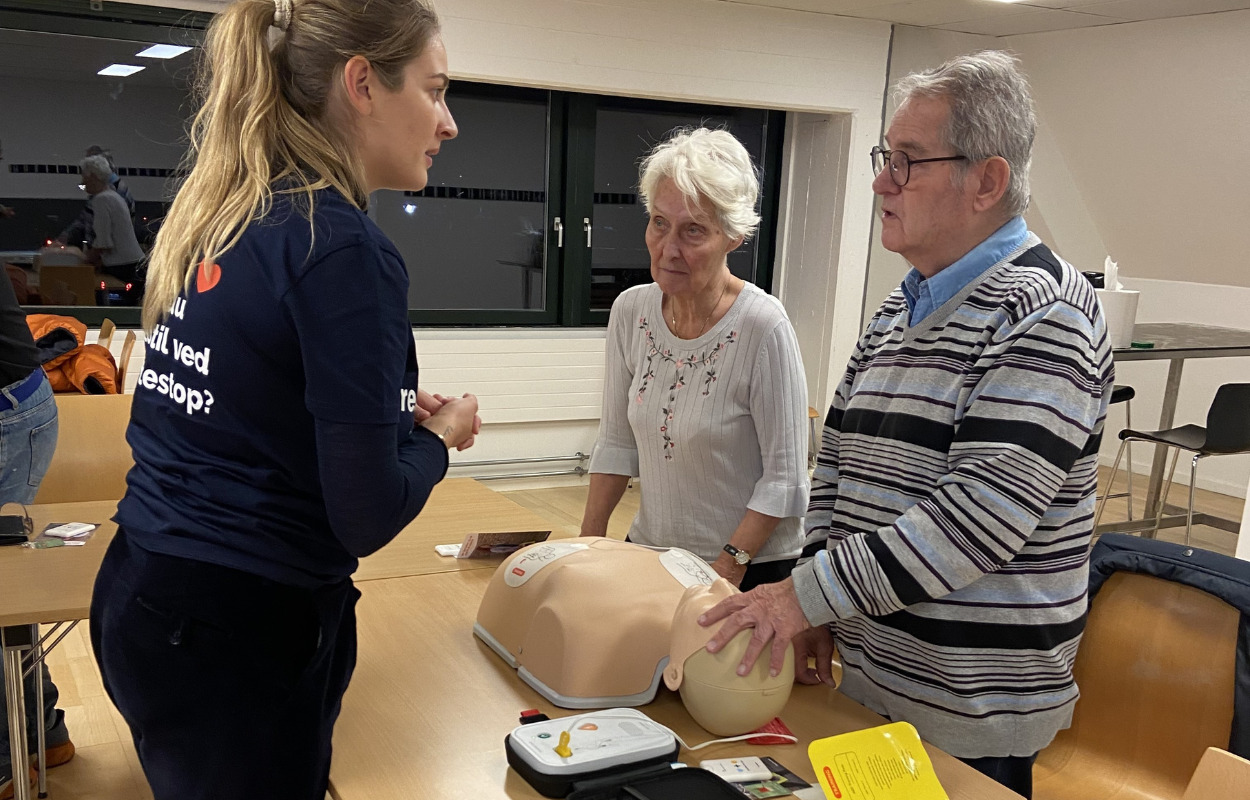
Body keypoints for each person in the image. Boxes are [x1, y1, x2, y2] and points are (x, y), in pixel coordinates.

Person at [88, 0, 478, 798]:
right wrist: (437, 436)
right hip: (236, 632)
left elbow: (235, 393)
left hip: (143, 590)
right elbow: (364, 516)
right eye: (436, 91)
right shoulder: (339, 247)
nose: (449, 124)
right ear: (363, 83)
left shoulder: (227, 213)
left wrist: (381, 411)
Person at [700, 51, 1114, 799]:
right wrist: (821, 606)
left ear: (987, 180)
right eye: (884, 157)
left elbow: (973, 525)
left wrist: (799, 598)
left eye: (908, 162)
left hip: (967, 704)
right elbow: (838, 470)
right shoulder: (901, 307)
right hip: (873, 676)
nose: (881, 182)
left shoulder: (1046, 312)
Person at [580, 128, 809, 592]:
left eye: (694, 231)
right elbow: (616, 444)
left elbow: (785, 479)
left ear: (734, 236)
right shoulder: (631, 312)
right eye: (660, 223)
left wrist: (728, 566)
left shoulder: (764, 326)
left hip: (746, 569)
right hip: (651, 554)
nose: (668, 248)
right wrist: (586, 546)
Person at [0, 271, 74, 800]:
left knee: (5, 586)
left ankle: (8, 756)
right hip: (16, 402)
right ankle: (39, 734)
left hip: (7, 409)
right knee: (8, 587)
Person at [78, 154, 146, 292]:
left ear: (93, 177)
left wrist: (82, 259)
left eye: (84, 177)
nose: (82, 181)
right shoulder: (113, 196)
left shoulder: (101, 200)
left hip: (123, 268)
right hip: (134, 264)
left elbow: (104, 242)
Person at [55, 146, 135, 249]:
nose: (83, 182)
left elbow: (107, 239)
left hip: (113, 255)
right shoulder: (101, 192)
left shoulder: (111, 193)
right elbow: (86, 217)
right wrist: (65, 236)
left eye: (86, 173)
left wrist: (89, 256)